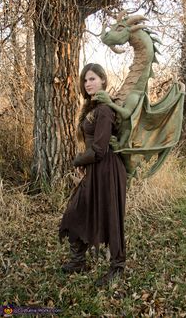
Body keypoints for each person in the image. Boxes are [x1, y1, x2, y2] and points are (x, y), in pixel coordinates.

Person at [59, 63, 127, 285]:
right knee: (76, 211)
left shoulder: (105, 110)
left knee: (110, 216)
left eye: (93, 79)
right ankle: (78, 261)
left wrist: (77, 160)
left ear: (103, 81)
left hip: (107, 170)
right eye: (85, 80)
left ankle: (117, 266)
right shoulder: (92, 108)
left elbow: (99, 150)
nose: (88, 84)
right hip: (95, 170)